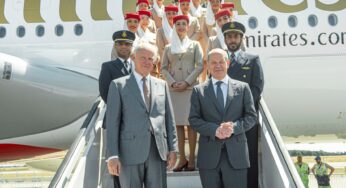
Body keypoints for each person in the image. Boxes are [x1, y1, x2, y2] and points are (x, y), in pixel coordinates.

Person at [106, 41, 178, 188]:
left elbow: (169, 120)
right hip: (129, 152)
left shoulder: (161, 85)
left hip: (157, 151)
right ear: (133, 58)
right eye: (143, 58)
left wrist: (173, 148)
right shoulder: (118, 85)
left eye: (150, 58)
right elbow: (112, 123)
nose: (147, 61)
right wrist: (112, 155)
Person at [189, 48, 257, 188]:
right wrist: (214, 130)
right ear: (207, 65)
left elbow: (251, 117)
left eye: (221, 61)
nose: (218, 65)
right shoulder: (198, 91)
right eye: (213, 62)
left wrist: (233, 128)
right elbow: (194, 120)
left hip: (236, 156)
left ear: (228, 62)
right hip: (209, 157)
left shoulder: (243, 88)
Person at [222, 21, 264, 188]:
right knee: (226, 158)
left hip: (246, 118)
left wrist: (241, 106)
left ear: (241, 38)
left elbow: (257, 87)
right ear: (225, 39)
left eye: (236, 36)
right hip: (224, 118)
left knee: (249, 158)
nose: (232, 40)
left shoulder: (252, 59)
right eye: (229, 37)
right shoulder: (218, 60)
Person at [161, 15, 203, 172]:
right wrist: (172, 82)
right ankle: (182, 158)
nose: (180, 26)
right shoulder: (168, 47)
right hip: (174, 89)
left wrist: (187, 82)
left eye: (183, 24)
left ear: (188, 26)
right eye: (178, 24)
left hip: (189, 88)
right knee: (177, 125)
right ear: (174, 26)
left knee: (191, 124)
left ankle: (192, 158)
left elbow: (200, 65)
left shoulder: (195, 45)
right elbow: (163, 67)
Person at [99, 30, 135, 188]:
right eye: (120, 43)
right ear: (115, 45)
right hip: (116, 120)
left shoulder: (138, 66)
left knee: (134, 161)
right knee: (117, 162)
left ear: (132, 46)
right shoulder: (107, 67)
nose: (124, 47)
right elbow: (105, 93)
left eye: (127, 44)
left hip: (135, 122)